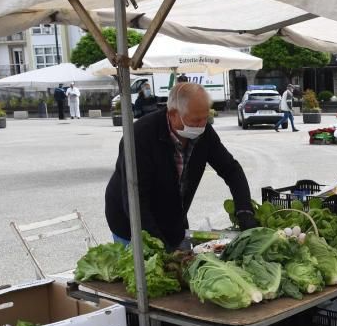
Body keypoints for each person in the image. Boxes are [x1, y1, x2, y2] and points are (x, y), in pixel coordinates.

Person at [105, 82, 256, 250]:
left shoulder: (204, 133)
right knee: (150, 270)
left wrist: (244, 211)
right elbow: (136, 201)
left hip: (174, 218)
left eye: (205, 118)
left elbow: (231, 170)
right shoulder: (140, 136)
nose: (201, 125)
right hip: (130, 223)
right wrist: (162, 248)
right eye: (195, 120)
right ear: (173, 114)